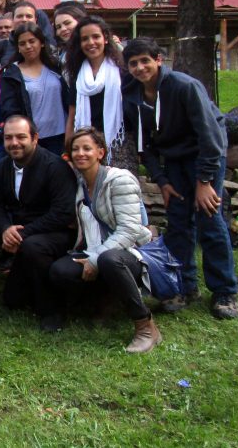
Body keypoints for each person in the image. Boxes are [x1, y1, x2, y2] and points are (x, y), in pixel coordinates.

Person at [122, 38, 238, 319]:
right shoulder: (132, 97)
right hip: (173, 160)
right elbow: (144, 146)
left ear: (158, 60)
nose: (140, 68)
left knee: (209, 220)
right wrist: (161, 180)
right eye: (133, 63)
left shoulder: (184, 86)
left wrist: (205, 182)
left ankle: (225, 291)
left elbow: (210, 137)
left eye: (145, 61)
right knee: (178, 224)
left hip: (205, 155)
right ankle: (185, 286)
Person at [49, 128, 161, 353]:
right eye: (75, 149)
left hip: (133, 253)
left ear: (100, 152)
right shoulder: (81, 186)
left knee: (109, 260)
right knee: (60, 270)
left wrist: (94, 258)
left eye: (87, 148)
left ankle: (145, 326)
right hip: (100, 248)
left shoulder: (119, 180)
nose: (80, 153)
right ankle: (103, 299)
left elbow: (129, 230)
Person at [0, 115, 77, 331]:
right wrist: (5, 229)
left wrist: (22, 234)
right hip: (23, 237)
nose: (14, 143)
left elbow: (62, 213)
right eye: (9, 138)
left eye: (21, 137)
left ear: (35, 138)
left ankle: (51, 310)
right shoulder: (3, 167)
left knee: (33, 246)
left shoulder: (55, 167)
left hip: (57, 234)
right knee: (12, 301)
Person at [64, 16, 134, 170]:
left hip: (119, 142)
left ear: (106, 39)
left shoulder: (122, 70)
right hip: (86, 145)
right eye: (85, 39)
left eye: (96, 37)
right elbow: (72, 115)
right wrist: (68, 151)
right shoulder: (78, 75)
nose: (91, 43)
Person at [0, 23, 68, 156]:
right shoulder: (11, 73)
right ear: (18, 48)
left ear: (41, 43)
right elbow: (10, 109)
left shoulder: (56, 67)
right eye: (23, 43)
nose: (28, 46)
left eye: (32, 41)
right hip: (31, 139)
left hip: (59, 136)